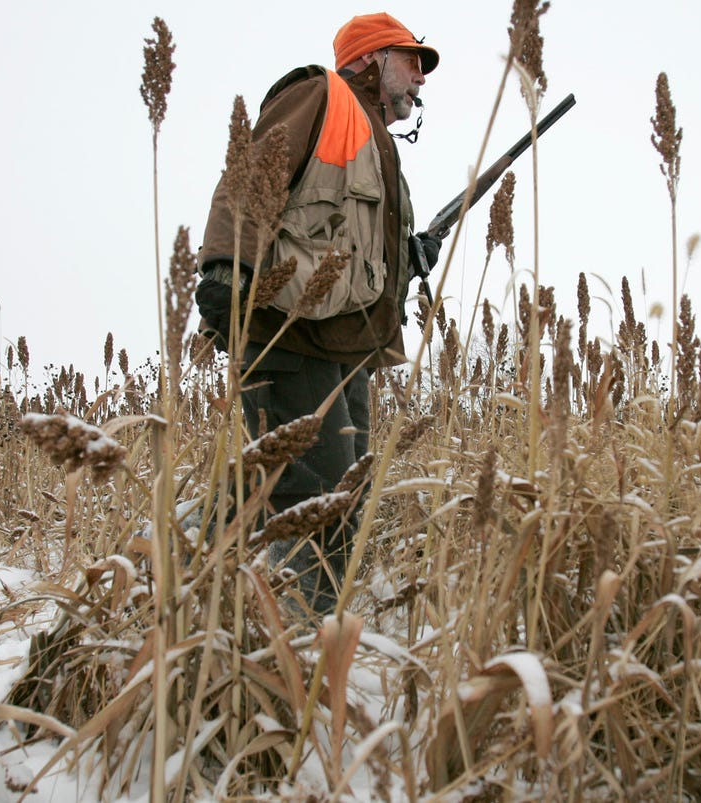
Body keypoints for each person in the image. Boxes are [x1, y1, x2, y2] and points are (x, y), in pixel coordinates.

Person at [195, 12, 442, 615]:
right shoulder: (321, 96)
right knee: (322, 498)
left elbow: (349, 244)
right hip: (290, 332)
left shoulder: (378, 143)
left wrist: (409, 255)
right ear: (371, 58)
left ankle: (173, 566)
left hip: (344, 349)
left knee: (311, 486)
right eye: (412, 60)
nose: (421, 78)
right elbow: (254, 178)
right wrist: (226, 267)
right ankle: (302, 639)